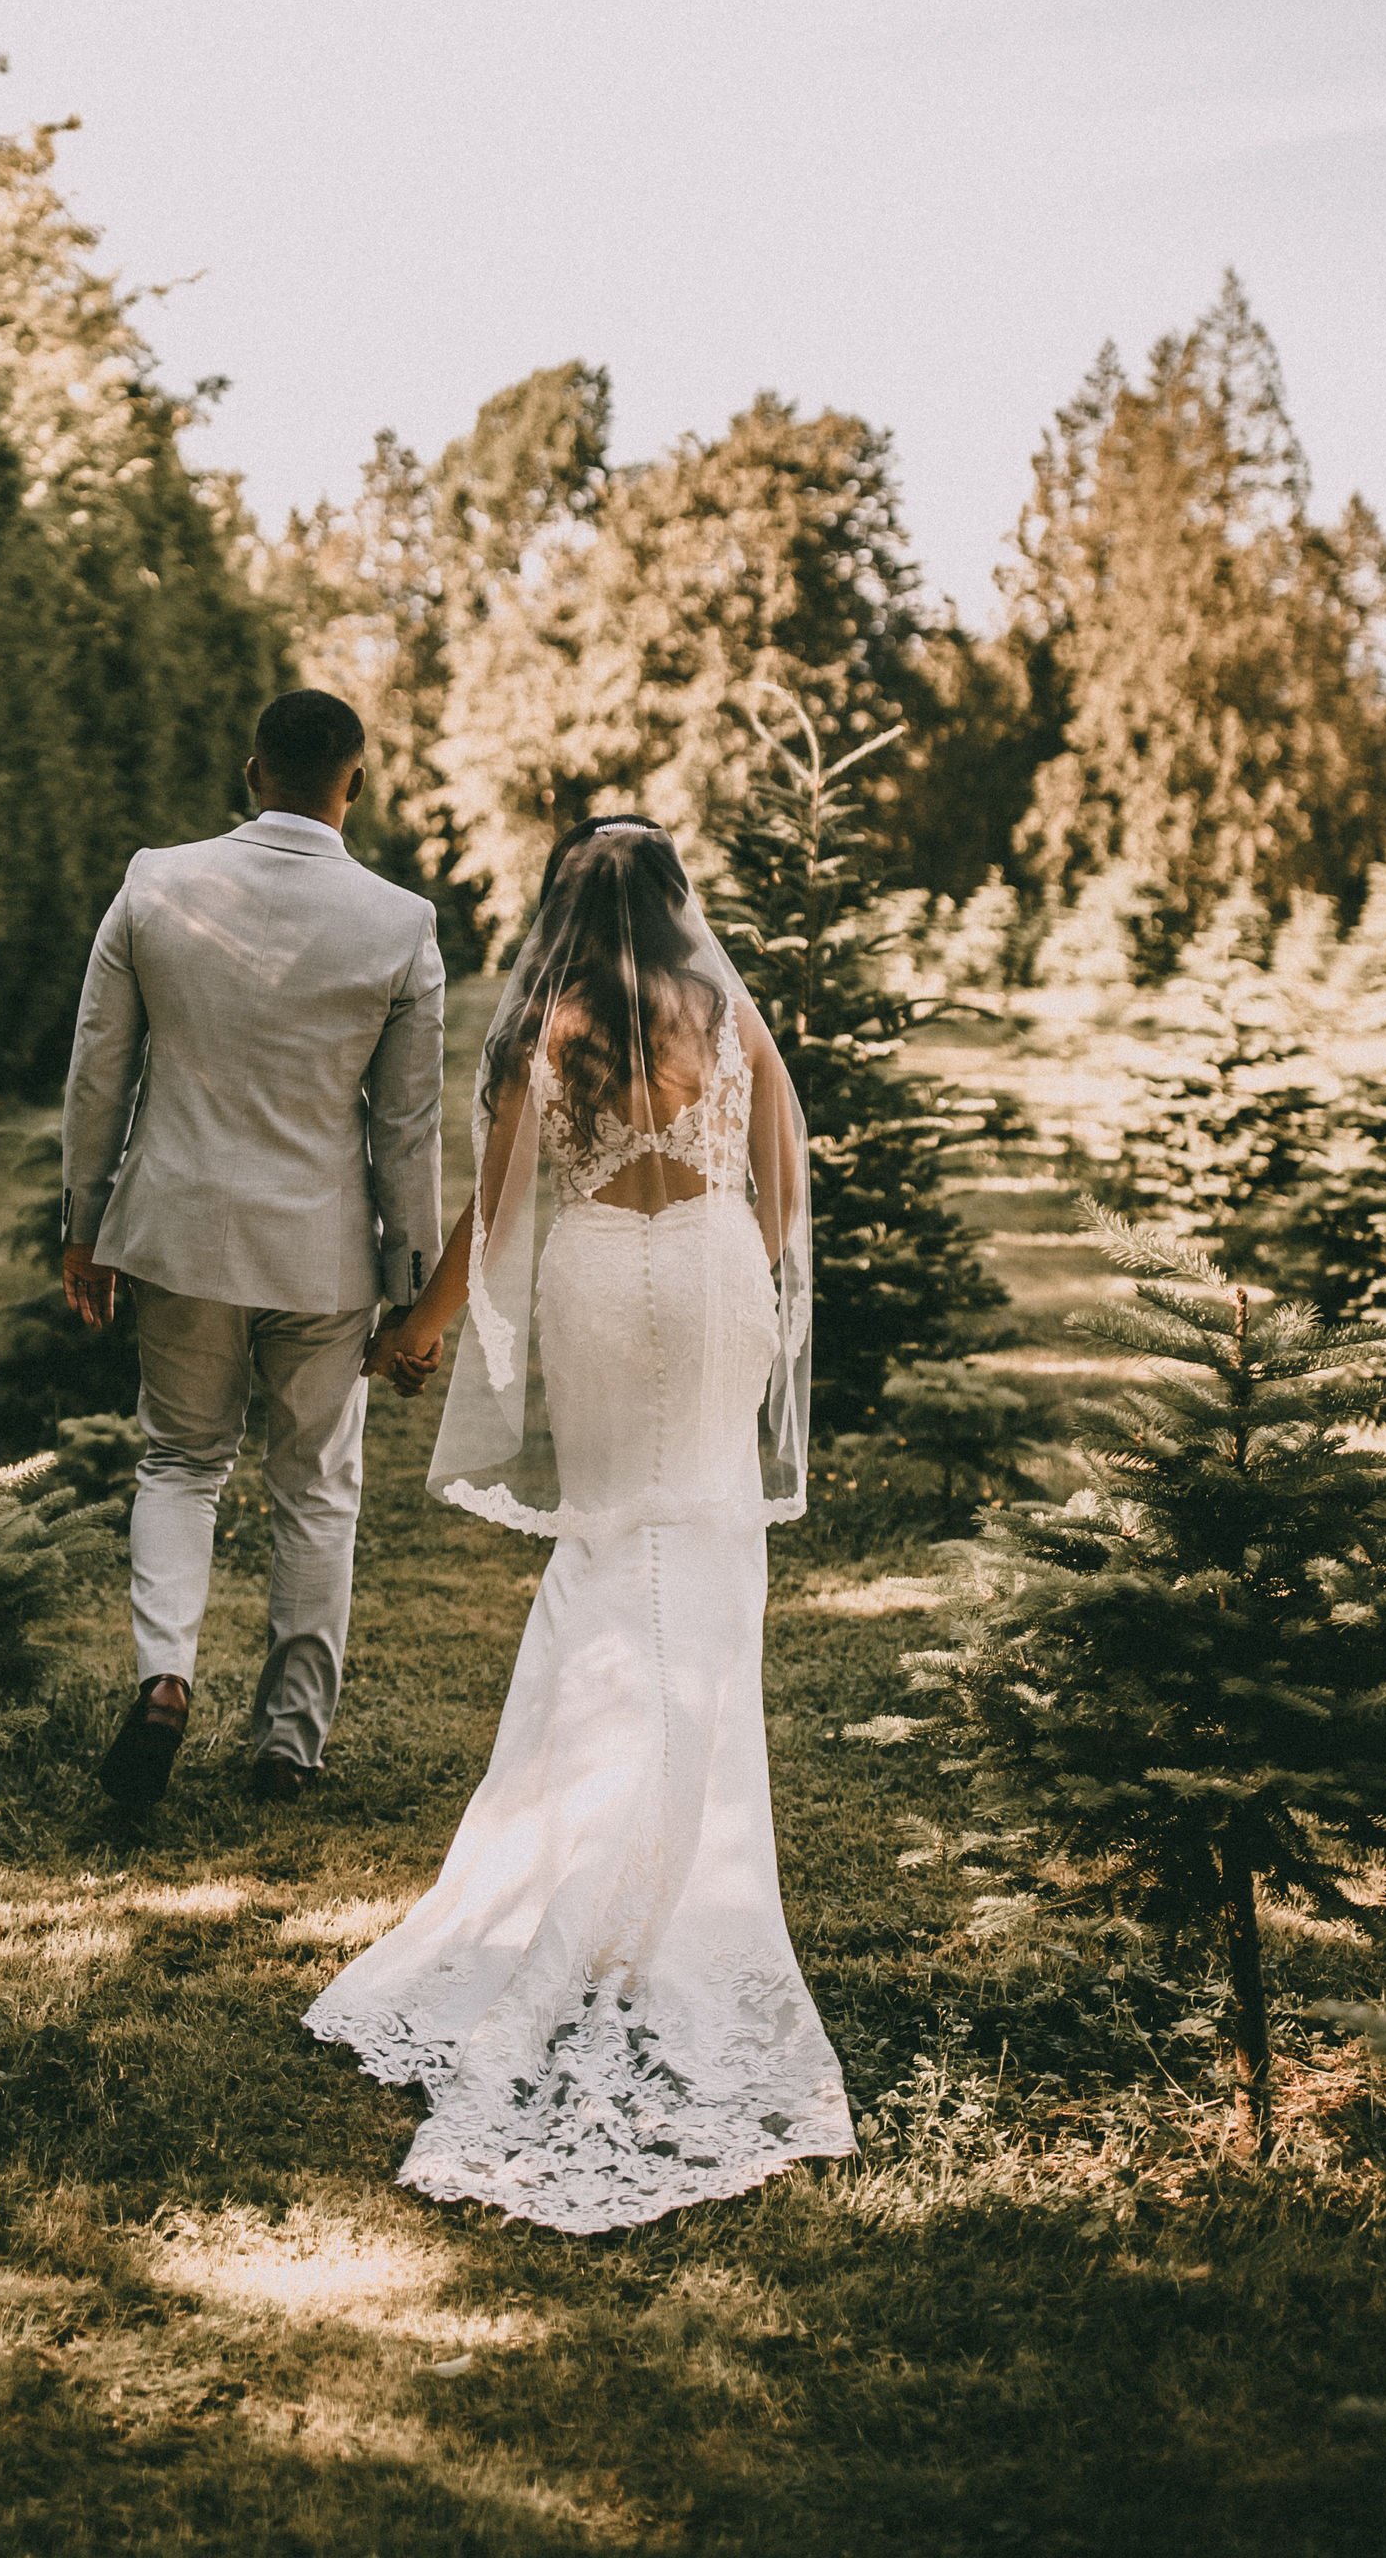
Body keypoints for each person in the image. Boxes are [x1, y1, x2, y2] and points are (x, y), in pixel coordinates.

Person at [305, 814, 855, 2231]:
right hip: (718, 1279)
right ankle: (686, 1852)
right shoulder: (726, 1011)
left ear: (565, 903)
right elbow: (787, 1183)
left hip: (604, 1289)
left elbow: (494, 1225)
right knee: (708, 1550)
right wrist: (732, 1244)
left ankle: (584, 1857)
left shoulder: (546, 1030)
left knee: (613, 1548)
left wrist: (416, 1339)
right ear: (676, 903)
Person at [60, 689, 445, 1808]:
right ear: (356, 784)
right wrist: (410, 1284)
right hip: (323, 1256)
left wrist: (85, 1227)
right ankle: (288, 1741)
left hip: (175, 1235)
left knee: (180, 1463)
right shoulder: (398, 923)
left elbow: (100, 1068)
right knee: (316, 1490)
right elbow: (407, 1127)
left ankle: (167, 1680)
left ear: (249, 772)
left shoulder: (155, 883)